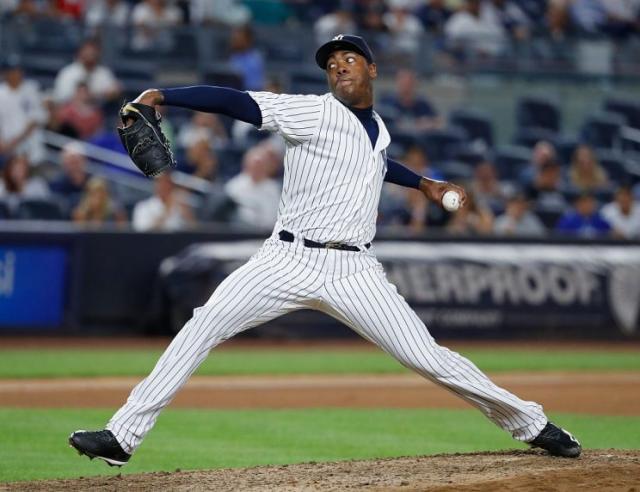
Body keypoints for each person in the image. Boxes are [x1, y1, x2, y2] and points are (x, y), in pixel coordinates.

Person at [69, 34, 581, 467]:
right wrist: (167, 95)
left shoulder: (378, 129)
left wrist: (423, 182)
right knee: (203, 324)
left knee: (427, 357)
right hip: (285, 260)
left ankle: (531, 423)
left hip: (353, 269)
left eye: (349, 60)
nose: (339, 67)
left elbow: (377, 162)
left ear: (372, 69)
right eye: (332, 64)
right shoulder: (311, 112)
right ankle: (123, 436)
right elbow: (239, 102)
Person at [52, 39, 121, 105]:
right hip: (72, 114)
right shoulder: (68, 72)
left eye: (93, 51)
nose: (90, 54)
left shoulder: (104, 73)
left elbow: (114, 91)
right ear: (80, 52)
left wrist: (113, 92)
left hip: (100, 113)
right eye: (87, 51)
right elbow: (61, 97)